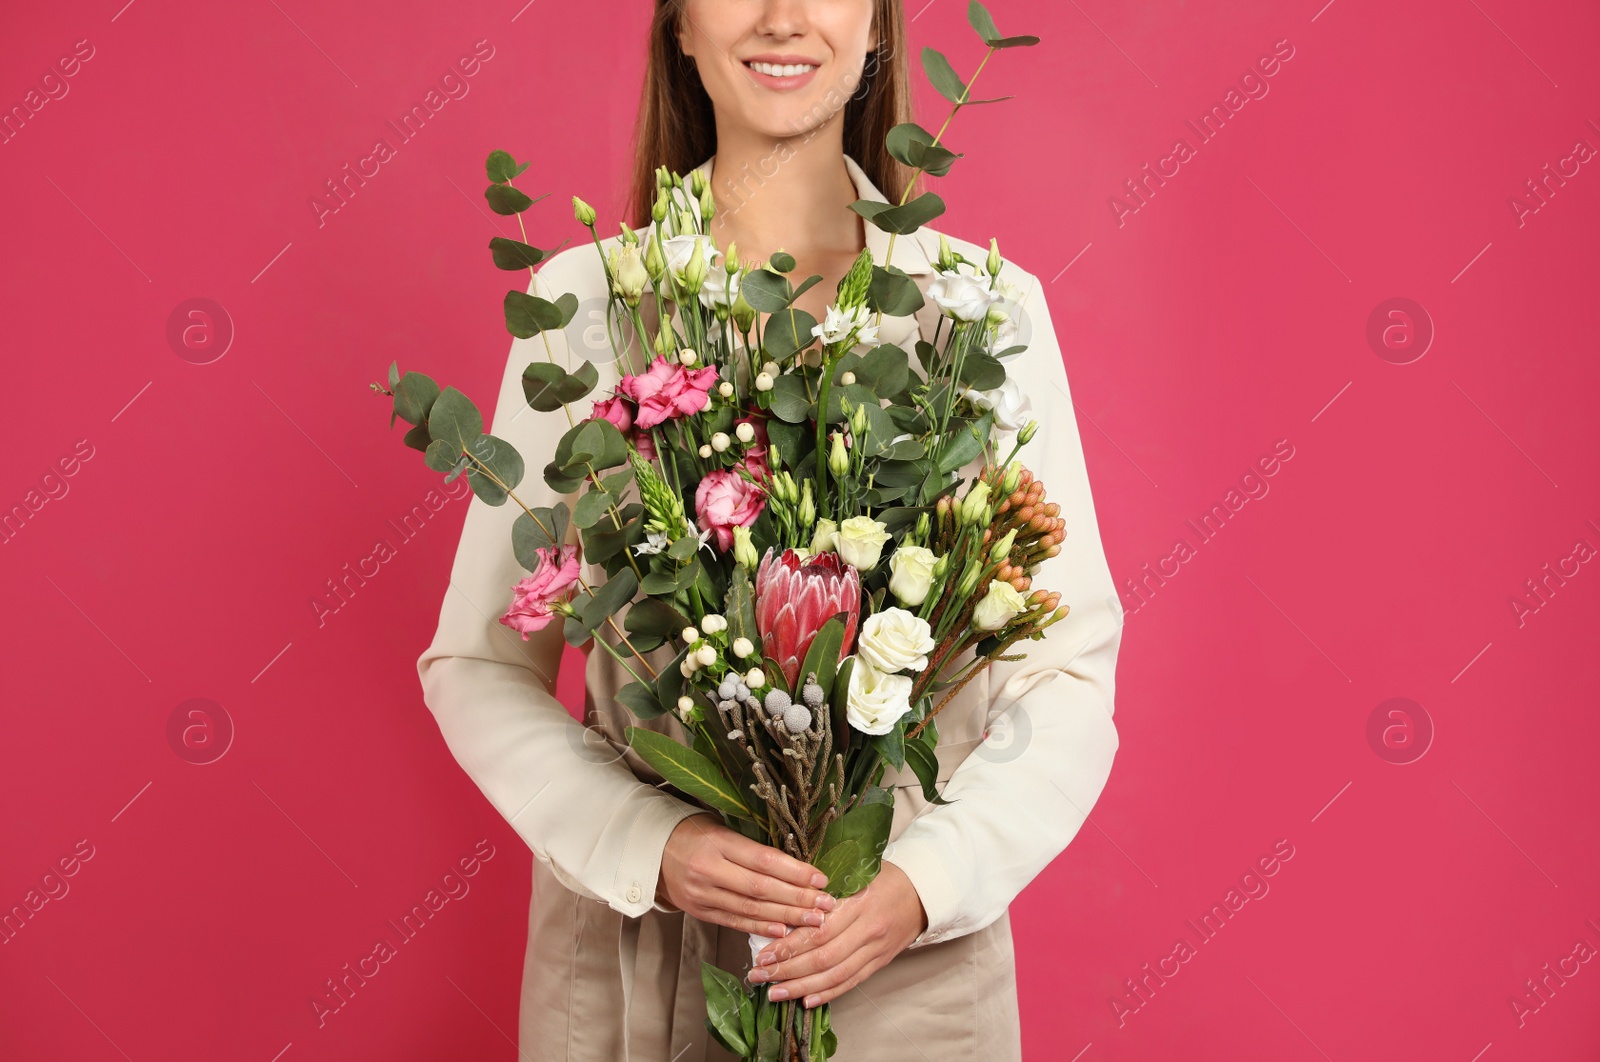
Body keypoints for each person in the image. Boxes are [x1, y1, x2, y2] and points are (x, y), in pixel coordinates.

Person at [415, 1, 1122, 1058]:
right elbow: (476, 662)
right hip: (632, 973)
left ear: (878, 24)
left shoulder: (976, 311)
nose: (783, 16)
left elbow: (1065, 675)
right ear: (680, 28)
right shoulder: (582, 309)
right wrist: (647, 841)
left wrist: (923, 883)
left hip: (905, 976)